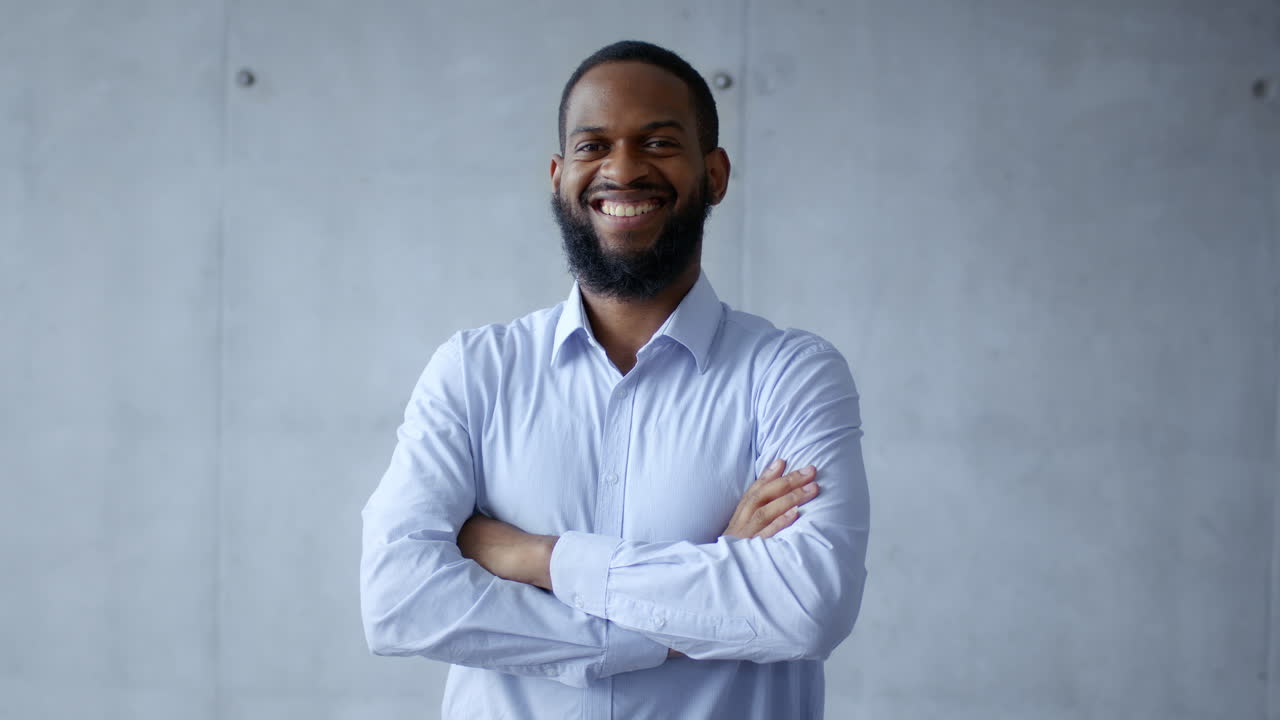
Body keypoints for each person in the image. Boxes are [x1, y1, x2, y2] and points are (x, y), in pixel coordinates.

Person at [360, 40, 870, 719]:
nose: (623, 169)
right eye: (593, 145)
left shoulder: (791, 375)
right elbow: (399, 601)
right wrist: (686, 616)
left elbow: (806, 607)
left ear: (714, 174)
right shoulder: (475, 371)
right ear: (558, 175)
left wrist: (536, 558)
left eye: (658, 143)